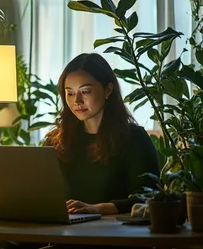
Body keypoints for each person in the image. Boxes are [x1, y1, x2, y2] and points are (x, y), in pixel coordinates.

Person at [44, 53, 160, 215]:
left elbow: (149, 195)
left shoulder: (134, 138)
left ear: (108, 90)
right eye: (70, 93)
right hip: (62, 231)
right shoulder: (56, 140)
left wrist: (98, 209)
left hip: (113, 233)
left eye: (85, 92)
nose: (77, 101)